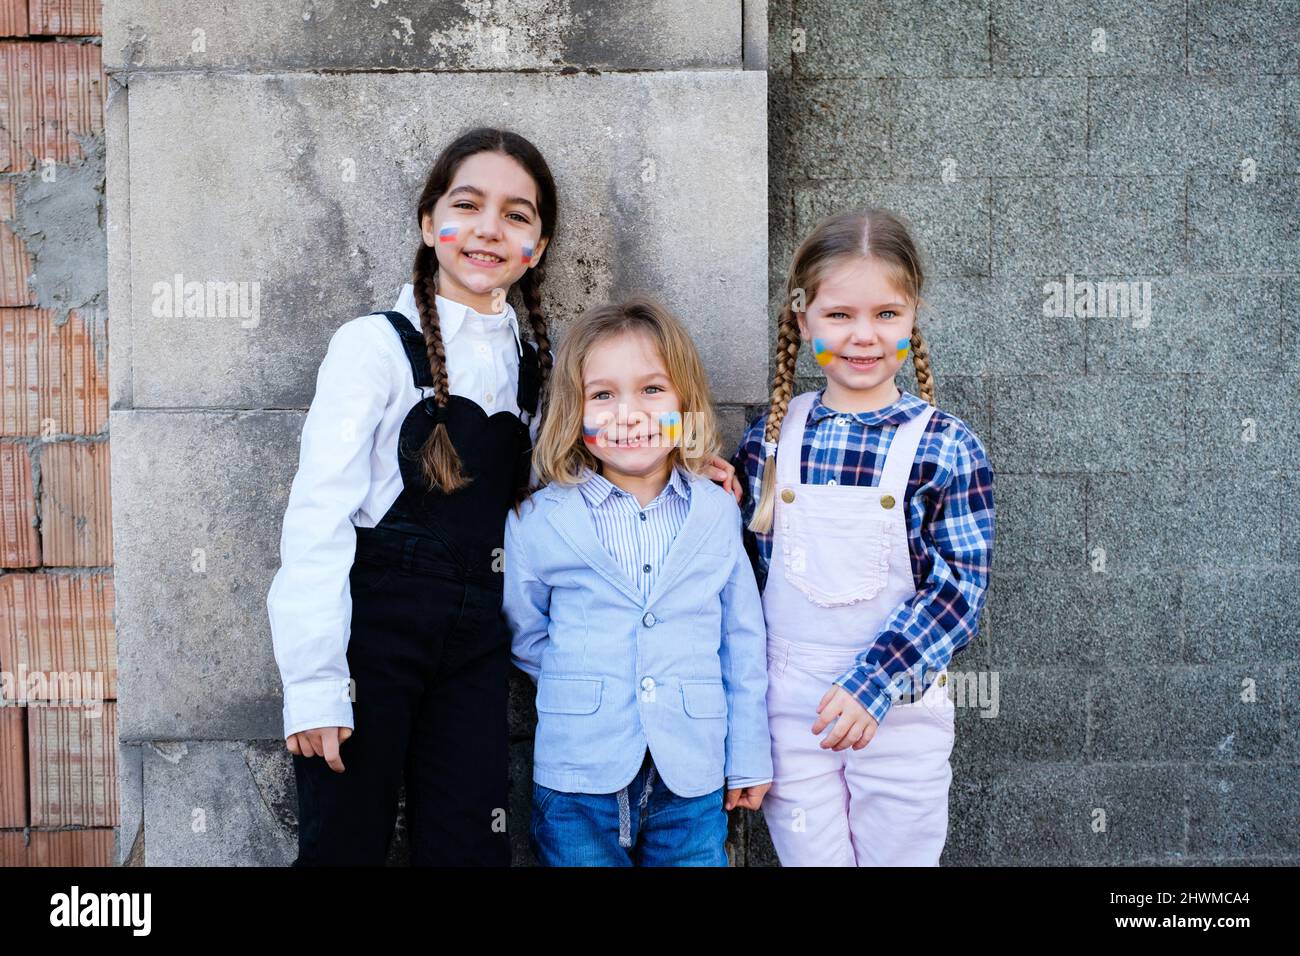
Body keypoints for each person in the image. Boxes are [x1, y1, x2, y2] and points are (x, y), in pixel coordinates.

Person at [733, 207, 995, 866]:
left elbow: (957, 592)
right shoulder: (769, 439)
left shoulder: (945, 446)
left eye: (886, 315)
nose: (863, 336)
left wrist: (873, 683)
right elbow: (740, 574)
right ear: (803, 320)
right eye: (839, 315)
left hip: (900, 713)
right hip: (790, 715)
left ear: (912, 320)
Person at [503, 296, 771, 866]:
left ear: (685, 402)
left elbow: (743, 641)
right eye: (603, 395)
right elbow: (526, 633)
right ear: (575, 413)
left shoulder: (716, 511)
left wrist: (748, 754)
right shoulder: (539, 519)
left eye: (652, 390)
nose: (628, 413)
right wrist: (583, 685)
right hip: (578, 777)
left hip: (693, 776)